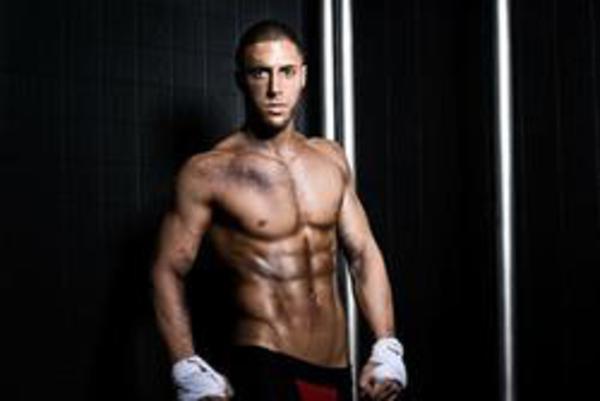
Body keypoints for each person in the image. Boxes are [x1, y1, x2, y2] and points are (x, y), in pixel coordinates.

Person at [151, 20, 407, 401]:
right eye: (260, 73)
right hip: (264, 365)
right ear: (241, 80)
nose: (275, 88)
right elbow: (167, 270)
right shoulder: (208, 172)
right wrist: (185, 364)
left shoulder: (330, 158)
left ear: (303, 76)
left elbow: (363, 253)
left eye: (286, 72)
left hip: (336, 369)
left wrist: (386, 346)